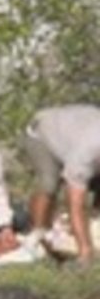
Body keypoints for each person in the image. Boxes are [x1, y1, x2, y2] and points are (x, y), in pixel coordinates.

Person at [21, 104, 100, 264]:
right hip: (41, 133)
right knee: (49, 182)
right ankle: (39, 236)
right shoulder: (85, 154)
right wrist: (85, 251)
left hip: (73, 129)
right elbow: (75, 204)